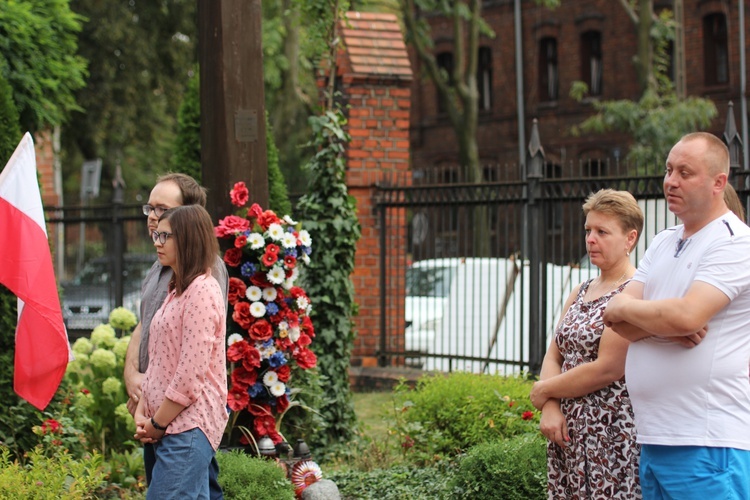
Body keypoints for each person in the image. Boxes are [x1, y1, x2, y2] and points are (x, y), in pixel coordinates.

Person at [603, 132, 750, 499]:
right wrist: (655, 325)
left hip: (707, 442)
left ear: (719, 182)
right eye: (669, 170)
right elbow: (614, 318)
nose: (671, 181)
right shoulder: (664, 240)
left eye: (686, 172)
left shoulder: (734, 242)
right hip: (654, 438)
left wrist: (633, 311)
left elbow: (687, 315)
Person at [529, 189, 644, 499]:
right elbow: (554, 354)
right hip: (566, 433)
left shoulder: (633, 293)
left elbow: (607, 368)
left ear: (630, 238)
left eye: (602, 232)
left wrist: (543, 391)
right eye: (588, 230)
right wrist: (551, 408)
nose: (591, 239)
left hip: (609, 436)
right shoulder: (581, 290)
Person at [123, 173, 228, 498]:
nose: (154, 222)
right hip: (161, 417)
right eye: (151, 209)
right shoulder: (169, 280)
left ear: (189, 222)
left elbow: (190, 369)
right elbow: (149, 328)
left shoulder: (203, 284)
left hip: (184, 420)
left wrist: (157, 420)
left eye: (163, 211)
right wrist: (135, 382)